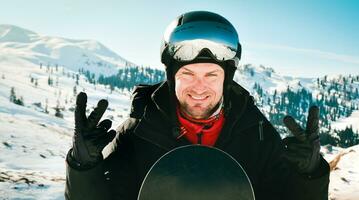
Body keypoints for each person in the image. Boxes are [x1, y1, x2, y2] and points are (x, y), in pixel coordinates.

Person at [65, 11, 329, 200]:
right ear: (171, 79)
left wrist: (308, 176)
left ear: (226, 80)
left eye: (212, 75)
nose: (199, 87)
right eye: (187, 74)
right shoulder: (138, 132)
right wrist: (84, 168)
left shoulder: (257, 135)